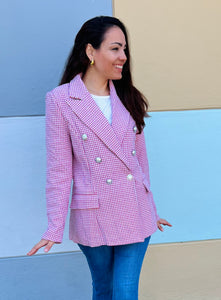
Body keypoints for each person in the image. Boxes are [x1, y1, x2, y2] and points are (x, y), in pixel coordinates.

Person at [27, 16, 172, 299]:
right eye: (115, 48)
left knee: (125, 292)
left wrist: (151, 210)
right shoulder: (61, 99)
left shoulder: (128, 96)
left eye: (125, 50)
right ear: (91, 51)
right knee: (103, 289)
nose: (124, 57)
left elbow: (140, 164)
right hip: (94, 215)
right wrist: (54, 226)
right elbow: (59, 170)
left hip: (135, 211)